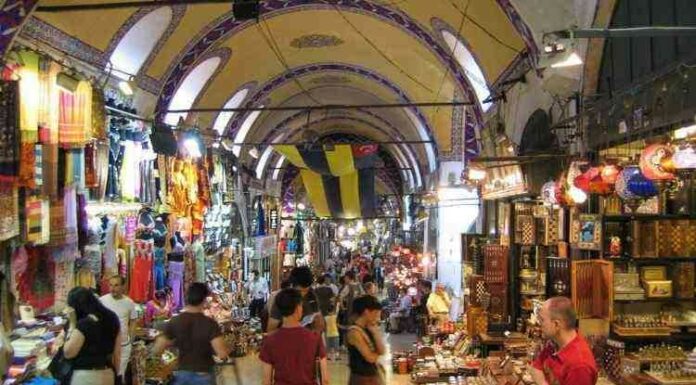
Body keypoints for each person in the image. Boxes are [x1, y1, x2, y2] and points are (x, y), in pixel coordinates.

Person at [152, 283, 230, 385]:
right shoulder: (210, 324)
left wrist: (173, 344)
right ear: (204, 299)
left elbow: (157, 349)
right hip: (204, 375)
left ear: (187, 298)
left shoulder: (176, 321)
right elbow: (222, 353)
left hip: (182, 375)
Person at [260, 288, 329, 385]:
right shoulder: (314, 338)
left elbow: (266, 381)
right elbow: (325, 379)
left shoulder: (270, 341)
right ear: (298, 308)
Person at [529, 297, 598, 385]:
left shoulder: (579, 366)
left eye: (542, 320)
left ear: (556, 324)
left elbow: (537, 374)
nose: (539, 324)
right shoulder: (554, 343)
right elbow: (535, 368)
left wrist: (542, 382)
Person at [63, 287, 121, 385]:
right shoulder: (112, 318)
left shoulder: (84, 323)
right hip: (108, 373)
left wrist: (72, 325)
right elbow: (117, 353)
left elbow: (69, 352)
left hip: (86, 376)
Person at [100, 275, 137, 381]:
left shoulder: (129, 303)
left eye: (116, 285)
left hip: (123, 345)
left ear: (123, 287)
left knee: (119, 375)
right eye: (110, 285)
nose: (112, 288)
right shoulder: (102, 301)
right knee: (106, 375)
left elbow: (133, 321)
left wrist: (131, 339)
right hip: (107, 345)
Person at [268, 267, 325, 333]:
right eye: (300, 291)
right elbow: (271, 329)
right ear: (291, 286)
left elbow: (320, 323)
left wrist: (314, 330)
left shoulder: (311, 295)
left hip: (308, 340)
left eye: (306, 290)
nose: (303, 294)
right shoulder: (283, 299)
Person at [346, 295, 386, 385]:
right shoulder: (354, 332)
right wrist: (377, 354)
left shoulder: (370, 328)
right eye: (376, 313)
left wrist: (376, 333)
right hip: (361, 378)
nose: (378, 317)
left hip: (372, 376)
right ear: (366, 312)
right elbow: (370, 358)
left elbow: (382, 351)